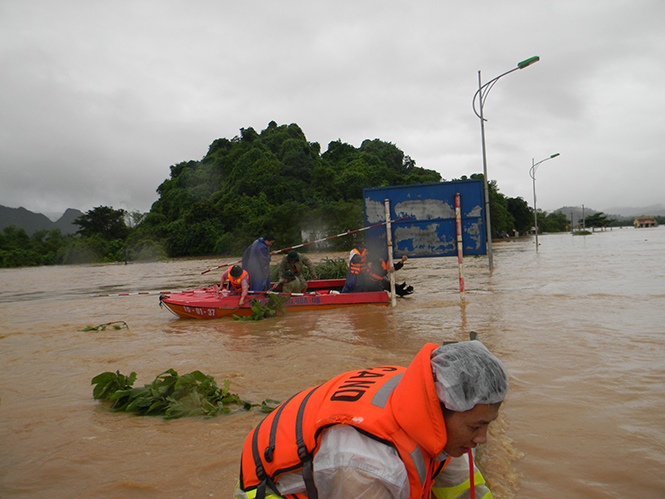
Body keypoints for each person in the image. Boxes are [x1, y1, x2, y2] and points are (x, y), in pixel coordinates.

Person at [234, 340, 508, 499]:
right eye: (476, 426)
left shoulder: (427, 393)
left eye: (487, 424)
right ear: (442, 408)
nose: (481, 439)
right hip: (268, 487)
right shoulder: (367, 466)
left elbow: (465, 490)